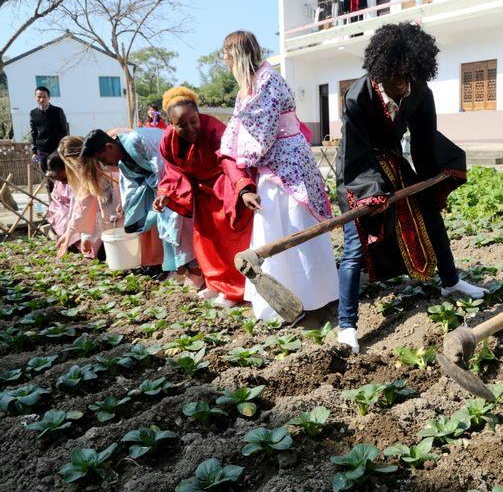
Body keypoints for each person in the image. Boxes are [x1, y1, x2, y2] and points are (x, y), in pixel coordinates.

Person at [335, 22, 486, 353]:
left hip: (394, 164)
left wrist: (439, 170)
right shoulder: (358, 95)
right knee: (356, 245)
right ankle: (347, 325)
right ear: (383, 68)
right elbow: (355, 152)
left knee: (431, 215)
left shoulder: (418, 91)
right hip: (357, 170)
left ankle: (450, 282)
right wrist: (370, 193)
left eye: (409, 76)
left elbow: (424, 138)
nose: (403, 84)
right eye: (397, 77)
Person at [219, 30, 338, 322]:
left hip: (287, 165)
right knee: (274, 225)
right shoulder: (249, 86)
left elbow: (259, 130)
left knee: (296, 222)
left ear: (237, 54)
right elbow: (238, 125)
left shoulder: (267, 80)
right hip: (273, 165)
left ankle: (315, 297)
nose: (223, 59)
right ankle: (281, 300)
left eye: (226, 53)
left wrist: (238, 155)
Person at [156, 86, 257, 305]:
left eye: (194, 120)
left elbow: (228, 160)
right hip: (199, 192)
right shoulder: (167, 141)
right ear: (171, 124)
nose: (191, 128)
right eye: (182, 125)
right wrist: (164, 193)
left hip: (224, 184)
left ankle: (236, 290)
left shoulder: (214, 129)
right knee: (206, 241)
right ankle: (215, 283)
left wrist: (242, 188)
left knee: (229, 239)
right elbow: (173, 170)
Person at [79, 128, 195, 277]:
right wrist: (129, 211)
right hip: (162, 191)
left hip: (177, 181)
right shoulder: (124, 164)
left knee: (181, 227)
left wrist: (163, 192)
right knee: (166, 228)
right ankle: (184, 272)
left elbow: (163, 167)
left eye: (103, 159)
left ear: (109, 146)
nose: (106, 164)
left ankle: (193, 270)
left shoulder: (136, 141)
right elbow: (130, 191)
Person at [55, 135, 122, 259]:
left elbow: (83, 209)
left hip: (118, 215)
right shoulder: (95, 168)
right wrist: (85, 237)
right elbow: (86, 209)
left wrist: (71, 235)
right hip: (115, 218)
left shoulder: (99, 168)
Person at [30, 86, 68, 190]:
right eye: (39, 97)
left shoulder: (57, 111)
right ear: (35, 98)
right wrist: (34, 151)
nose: (41, 99)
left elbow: (64, 131)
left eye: (44, 97)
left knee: (59, 174)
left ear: (49, 98)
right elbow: (33, 133)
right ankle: (52, 200)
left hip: (56, 148)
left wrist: (62, 147)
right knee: (47, 176)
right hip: (42, 149)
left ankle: (64, 196)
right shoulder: (33, 113)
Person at [45, 153, 73, 239]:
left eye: (53, 170)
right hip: (61, 220)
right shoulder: (58, 184)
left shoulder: (77, 183)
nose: (51, 174)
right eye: (50, 170)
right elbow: (55, 203)